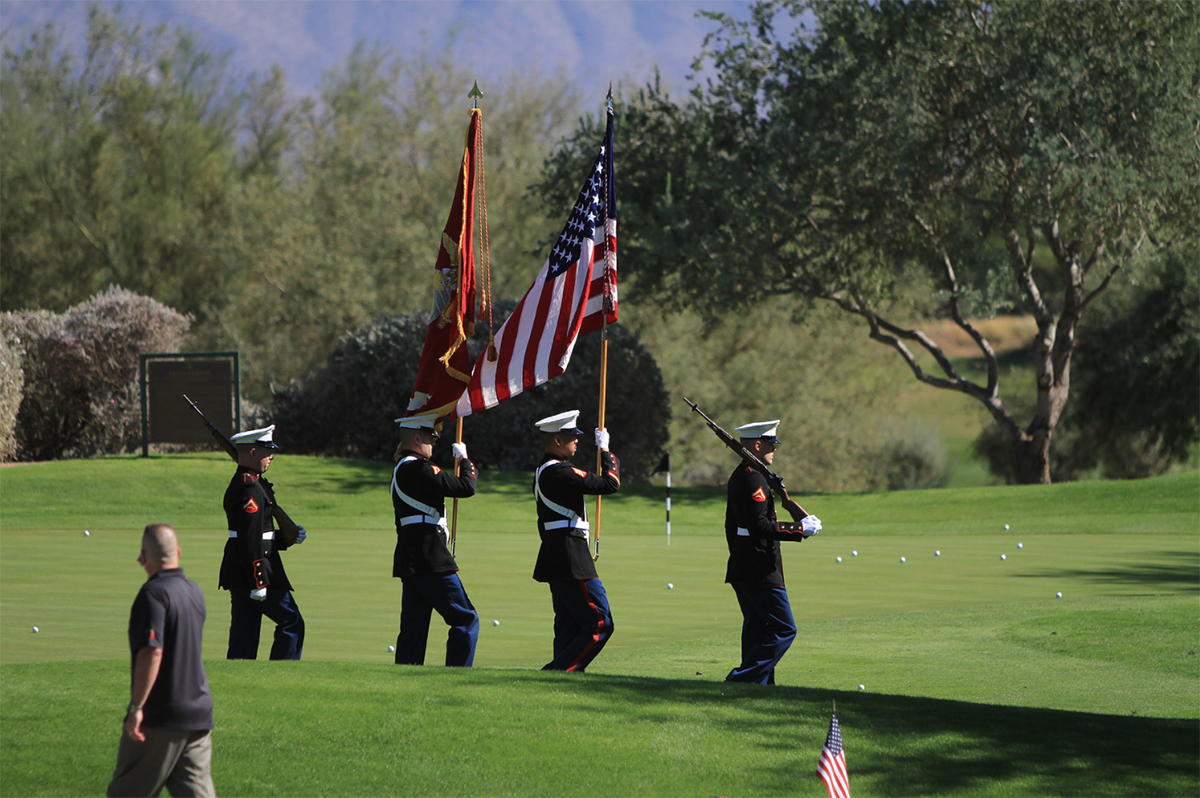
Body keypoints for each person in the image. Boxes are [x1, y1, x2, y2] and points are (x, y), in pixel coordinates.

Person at [108, 523, 215, 798]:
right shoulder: (195, 591)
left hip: (161, 717)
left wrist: (136, 707)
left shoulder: (153, 594)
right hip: (199, 715)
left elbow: (152, 651)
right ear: (178, 552)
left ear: (143, 556)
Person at [723, 419, 822, 685]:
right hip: (759, 568)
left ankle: (760, 689)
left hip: (744, 565)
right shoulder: (754, 478)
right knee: (784, 628)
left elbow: (731, 526)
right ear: (757, 444)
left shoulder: (745, 474)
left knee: (758, 629)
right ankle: (741, 681)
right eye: (770, 444)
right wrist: (799, 528)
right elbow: (759, 526)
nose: (774, 449)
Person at [531, 410, 621, 672]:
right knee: (601, 622)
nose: (577, 441)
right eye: (571, 436)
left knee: (569, 624)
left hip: (559, 553)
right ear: (557, 440)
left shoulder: (546, 469)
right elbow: (610, 484)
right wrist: (605, 451)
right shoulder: (559, 471)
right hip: (570, 554)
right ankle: (558, 671)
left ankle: (560, 679)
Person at [390, 413, 480, 666]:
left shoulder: (403, 468)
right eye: (431, 437)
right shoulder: (417, 467)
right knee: (465, 619)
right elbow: (466, 487)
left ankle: (405, 678)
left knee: (413, 629)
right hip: (430, 557)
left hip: (412, 558)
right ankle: (457, 675)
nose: (434, 443)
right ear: (417, 438)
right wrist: (464, 459)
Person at [219, 424, 306, 660]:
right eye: (267, 450)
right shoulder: (250, 487)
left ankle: (238, 679)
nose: (272, 456)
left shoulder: (248, 482)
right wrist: (259, 581)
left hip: (241, 569)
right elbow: (249, 537)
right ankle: (282, 674)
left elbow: (259, 534)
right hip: (257, 571)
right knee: (292, 622)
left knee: (244, 634)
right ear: (253, 453)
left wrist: (286, 537)